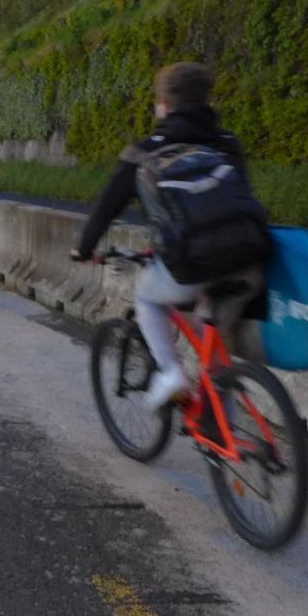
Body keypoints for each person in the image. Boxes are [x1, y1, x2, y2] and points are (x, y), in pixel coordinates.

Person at [72, 62, 269, 410]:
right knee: (216, 349)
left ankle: (170, 371)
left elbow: (108, 206)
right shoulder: (227, 143)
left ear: (164, 103)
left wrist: (84, 247)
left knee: (148, 299)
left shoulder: (146, 149)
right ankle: (225, 433)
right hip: (248, 257)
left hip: (192, 264)